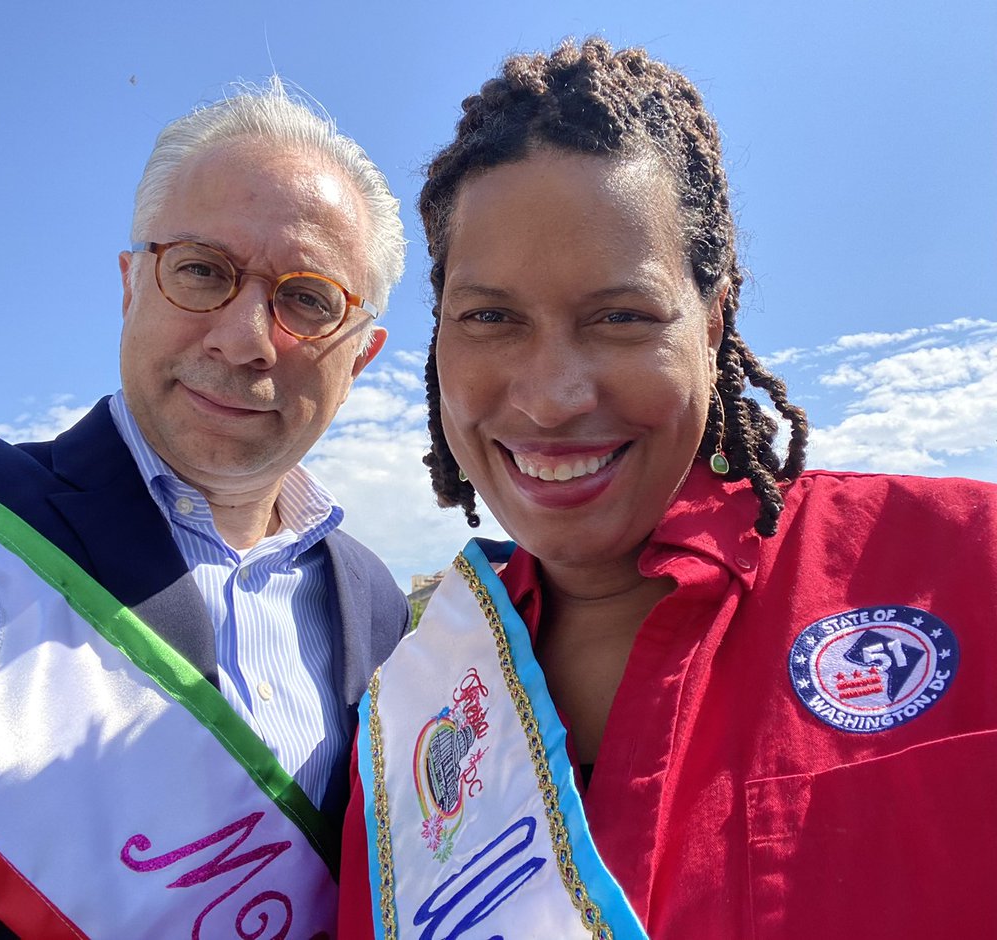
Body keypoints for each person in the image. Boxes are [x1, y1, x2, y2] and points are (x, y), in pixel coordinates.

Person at [339, 38, 997, 939]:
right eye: (490, 318)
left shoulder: (969, 570)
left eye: (621, 317)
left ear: (714, 319)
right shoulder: (410, 713)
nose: (550, 395)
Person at [0, 83, 410, 938]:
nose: (244, 338)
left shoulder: (376, 607)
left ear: (362, 356)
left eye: (308, 300)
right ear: (131, 286)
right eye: (201, 270)